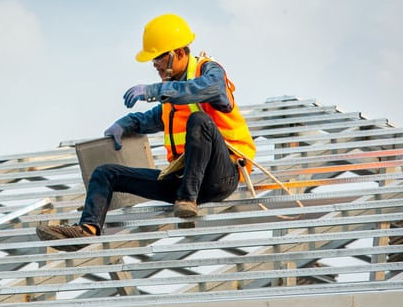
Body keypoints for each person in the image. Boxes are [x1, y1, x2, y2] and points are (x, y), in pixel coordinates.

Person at [36, 14, 255, 248]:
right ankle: (87, 229)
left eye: (158, 57)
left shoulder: (208, 71)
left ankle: (187, 199)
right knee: (104, 173)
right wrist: (126, 124)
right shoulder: (173, 94)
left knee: (198, 120)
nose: (155, 65)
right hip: (182, 182)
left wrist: (155, 90)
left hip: (221, 177)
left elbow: (210, 89)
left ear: (179, 53)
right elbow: (154, 117)